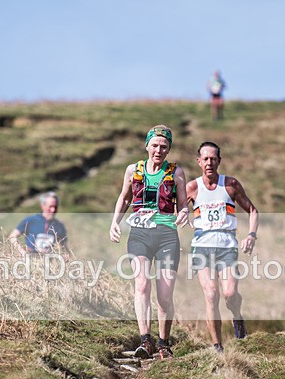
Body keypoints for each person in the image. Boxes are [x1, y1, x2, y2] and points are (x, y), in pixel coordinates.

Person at [109, 125, 190, 359]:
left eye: (164, 147)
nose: (158, 150)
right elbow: (124, 198)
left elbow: (183, 204)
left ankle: (164, 343)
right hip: (139, 235)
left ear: (169, 149)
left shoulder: (176, 173)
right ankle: (146, 341)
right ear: (146, 146)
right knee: (142, 285)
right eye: (154, 145)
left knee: (164, 295)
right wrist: (115, 222)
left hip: (166, 236)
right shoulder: (133, 170)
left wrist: (184, 213)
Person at [186, 141, 258, 353]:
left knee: (229, 293)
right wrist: (181, 215)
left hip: (226, 247)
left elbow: (253, 210)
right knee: (211, 294)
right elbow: (175, 209)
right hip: (201, 248)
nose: (209, 163)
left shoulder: (230, 185)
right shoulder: (192, 187)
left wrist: (251, 235)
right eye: (205, 159)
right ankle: (217, 346)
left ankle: (237, 317)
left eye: (213, 159)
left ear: (219, 161)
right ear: (199, 161)